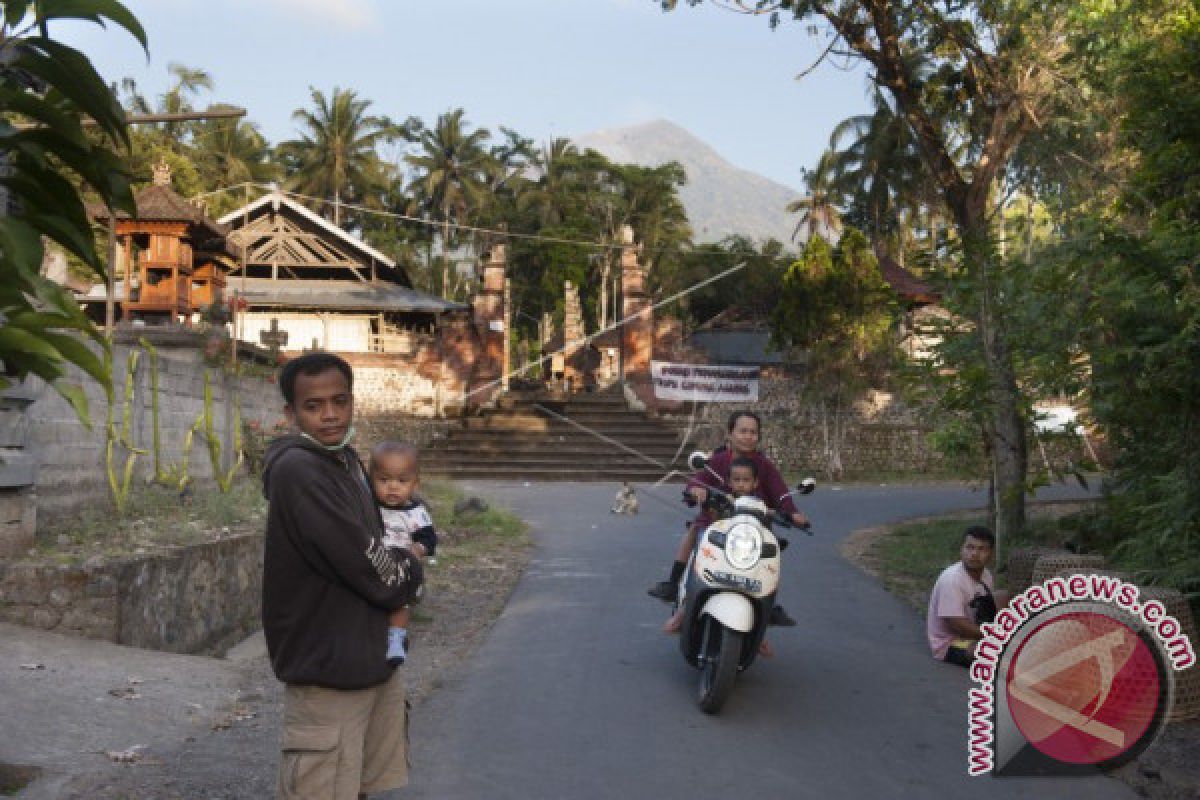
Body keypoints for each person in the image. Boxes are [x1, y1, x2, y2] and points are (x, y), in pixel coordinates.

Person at [262, 352, 423, 800]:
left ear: (353, 401)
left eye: (340, 401)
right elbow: (375, 570)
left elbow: (378, 545)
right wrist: (411, 565)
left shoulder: (347, 460)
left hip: (370, 664)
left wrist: (399, 566)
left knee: (362, 788)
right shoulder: (300, 471)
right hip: (328, 673)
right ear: (291, 414)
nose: (330, 415)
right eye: (313, 406)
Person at [648, 410, 809, 627]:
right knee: (696, 529)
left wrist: (792, 512)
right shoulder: (718, 460)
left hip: (753, 528)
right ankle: (675, 584)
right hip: (716, 523)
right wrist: (697, 490)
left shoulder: (764, 466)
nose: (748, 436)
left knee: (772, 554)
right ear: (730, 433)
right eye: (742, 431)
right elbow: (697, 480)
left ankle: (767, 607)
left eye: (753, 432)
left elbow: (780, 493)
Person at [661, 455, 765, 636]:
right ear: (728, 481)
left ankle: (760, 627)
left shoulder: (760, 504)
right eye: (737, 480)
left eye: (746, 480)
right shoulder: (722, 498)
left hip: (744, 551)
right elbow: (714, 520)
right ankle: (683, 610)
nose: (741, 484)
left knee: (766, 570)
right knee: (696, 563)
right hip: (720, 546)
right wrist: (710, 504)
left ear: (755, 483)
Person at [370, 440, 438, 666]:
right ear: (371, 480)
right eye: (384, 480)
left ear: (414, 484)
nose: (392, 487)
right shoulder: (369, 507)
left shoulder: (416, 513)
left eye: (401, 481)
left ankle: (396, 637)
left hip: (402, 568)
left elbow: (429, 537)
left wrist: (418, 548)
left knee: (399, 604)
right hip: (373, 563)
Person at [927, 525, 1009, 667]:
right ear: (961, 549)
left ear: (990, 553)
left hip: (977, 628)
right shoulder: (951, 579)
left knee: (1003, 595)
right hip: (951, 641)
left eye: (981, 549)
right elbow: (958, 625)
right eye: (970, 547)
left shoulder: (986, 575)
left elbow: (988, 606)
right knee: (990, 652)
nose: (974, 554)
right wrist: (996, 636)